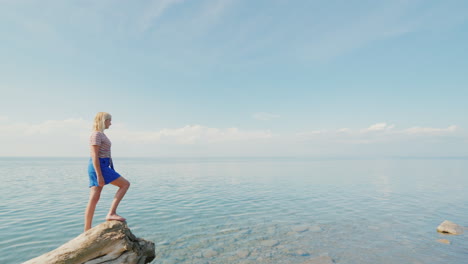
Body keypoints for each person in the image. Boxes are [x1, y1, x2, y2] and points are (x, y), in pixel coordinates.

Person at [84, 112, 130, 231]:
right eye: (109, 120)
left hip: (103, 165)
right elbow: (94, 155)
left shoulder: (101, 134)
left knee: (94, 198)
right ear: (103, 121)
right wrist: (99, 174)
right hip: (98, 166)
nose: (111, 123)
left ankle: (87, 229)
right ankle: (111, 213)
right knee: (125, 184)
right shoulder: (96, 135)